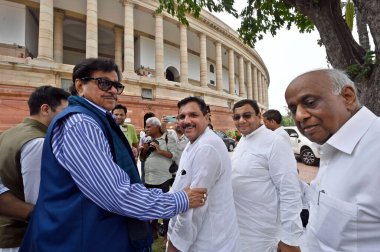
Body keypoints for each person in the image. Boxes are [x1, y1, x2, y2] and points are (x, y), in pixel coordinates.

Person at [19, 58, 207, 252]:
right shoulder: (80, 124)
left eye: (116, 85)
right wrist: (179, 200)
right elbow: (116, 194)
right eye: (104, 83)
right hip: (79, 240)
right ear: (79, 85)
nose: (113, 91)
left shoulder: (95, 118)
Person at [285, 69, 380, 251]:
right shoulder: (330, 146)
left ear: (347, 97)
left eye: (310, 103)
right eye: (293, 109)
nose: (299, 116)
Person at [0, 86, 69, 251]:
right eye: (64, 111)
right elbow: (38, 202)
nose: (68, 119)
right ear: (45, 109)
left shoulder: (8, 133)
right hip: (21, 238)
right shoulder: (39, 142)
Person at [167, 96, 240, 252]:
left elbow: (194, 207)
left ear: (206, 117)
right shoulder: (194, 142)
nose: (186, 121)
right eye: (182, 116)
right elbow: (180, 186)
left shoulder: (207, 146)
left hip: (208, 241)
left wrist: (175, 245)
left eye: (193, 115)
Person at [231, 99, 303, 252]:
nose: (241, 120)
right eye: (237, 117)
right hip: (240, 230)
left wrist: (289, 239)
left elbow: (289, 190)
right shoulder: (243, 141)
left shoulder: (274, 142)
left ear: (259, 116)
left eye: (247, 115)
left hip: (264, 234)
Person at [139, 117, 177, 243]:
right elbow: (143, 158)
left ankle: (167, 232)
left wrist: (159, 150)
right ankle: (153, 232)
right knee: (150, 206)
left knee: (164, 206)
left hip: (162, 178)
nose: (146, 129)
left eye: (149, 127)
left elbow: (173, 155)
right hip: (148, 178)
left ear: (156, 127)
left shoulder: (168, 137)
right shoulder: (147, 139)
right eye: (146, 127)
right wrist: (144, 150)